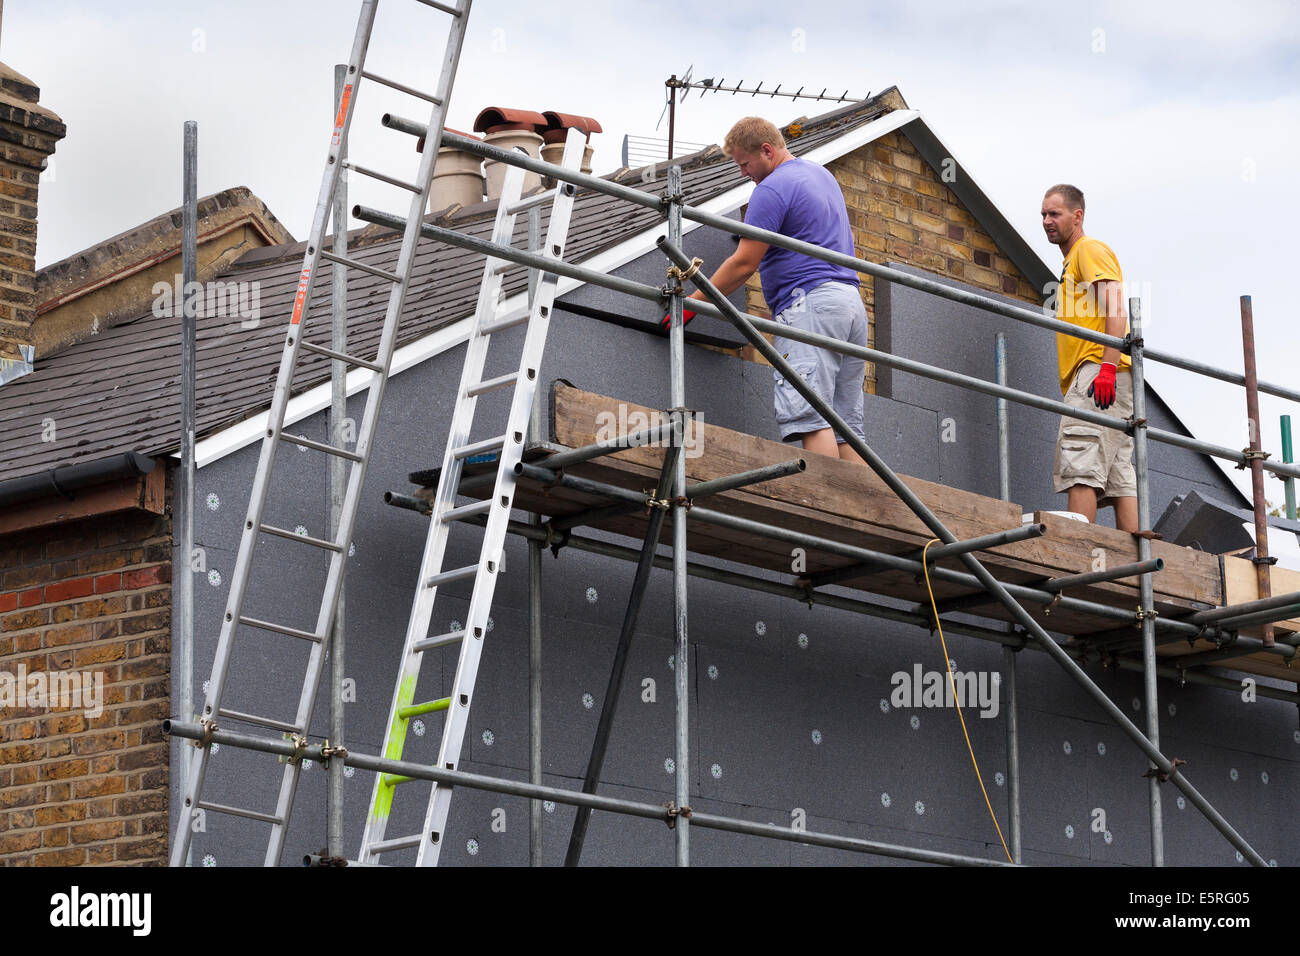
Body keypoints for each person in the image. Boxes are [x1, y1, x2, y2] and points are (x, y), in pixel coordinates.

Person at [663, 116, 868, 463]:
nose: (744, 173)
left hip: (810, 307)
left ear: (768, 151)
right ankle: (863, 517)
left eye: (745, 164)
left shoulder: (771, 189)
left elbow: (744, 263)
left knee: (811, 416)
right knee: (845, 429)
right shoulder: (821, 175)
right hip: (849, 305)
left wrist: (690, 304)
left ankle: (823, 512)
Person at [1041, 184, 1138, 531]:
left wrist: (1108, 368)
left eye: (1055, 213)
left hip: (1098, 372)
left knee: (1080, 465)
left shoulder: (1088, 250)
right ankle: (1137, 569)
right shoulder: (1072, 262)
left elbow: (1116, 309)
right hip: (1104, 377)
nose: (1047, 221)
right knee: (1117, 476)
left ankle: (1077, 558)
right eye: (1043, 215)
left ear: (1077, 216)